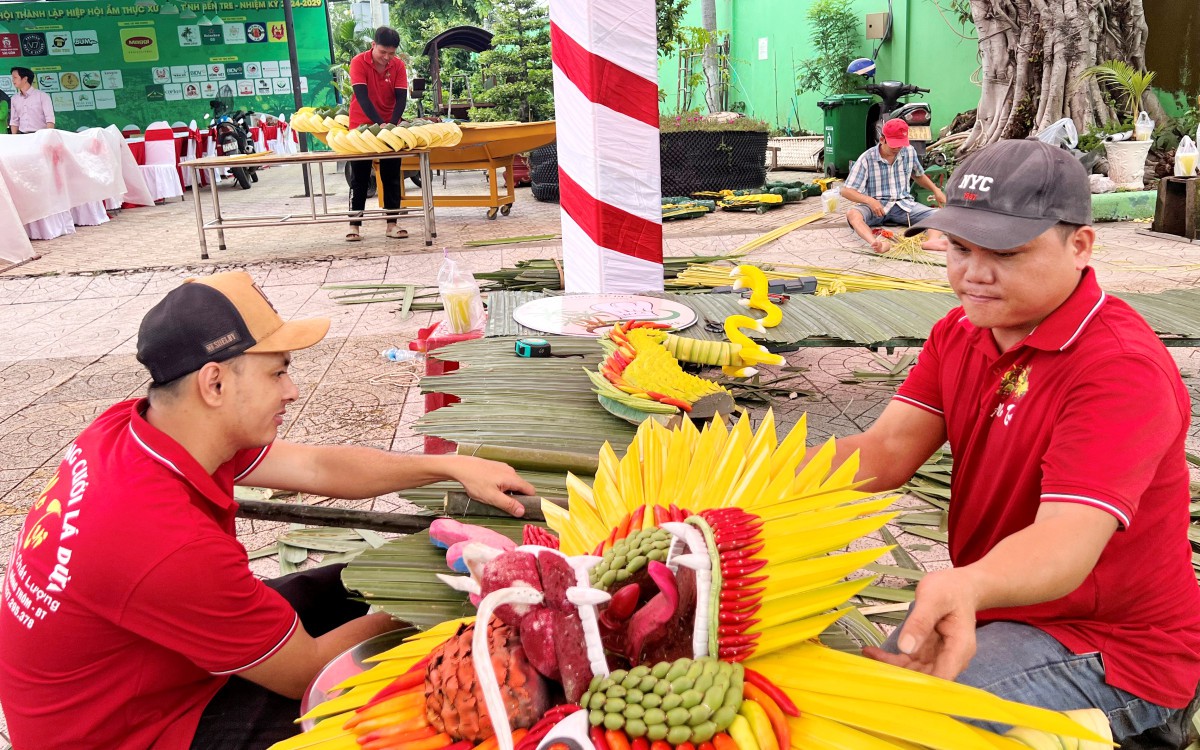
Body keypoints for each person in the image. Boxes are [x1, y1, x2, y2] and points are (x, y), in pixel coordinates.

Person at [0, 271, 537, 750]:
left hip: (154, 668)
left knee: (354, 584)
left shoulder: (143, 426)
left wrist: (452, 469)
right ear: (214, 383)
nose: (293, 389)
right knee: (408, 691)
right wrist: (452, 597)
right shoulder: (166, 543)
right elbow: (306, 671)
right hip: (137, 728)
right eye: (278, 373)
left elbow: (316, 469)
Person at [820, 138, 1200, 744]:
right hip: (993, 610)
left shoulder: (1119, 367)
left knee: (898, 724)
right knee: (857, 702)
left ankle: (1153, 729)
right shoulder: (963, 330)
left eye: (1005, 252)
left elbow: (1063, 545)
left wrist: (967, 582)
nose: (973, 273)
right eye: (962, 248)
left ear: (1079, 245)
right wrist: (752, 474)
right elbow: (886, 450)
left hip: (1112, 648)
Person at [841, 119, 947, 253]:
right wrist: (870, 201)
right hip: (876, 207)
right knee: (853, 214)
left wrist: (936, 190)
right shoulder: (867, 158)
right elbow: (846, 191)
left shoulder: (909, 151)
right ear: (882, 139)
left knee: (941, 215)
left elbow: (918, 175)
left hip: (903, 205)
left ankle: (932, 241)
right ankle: (876, 243)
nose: (897, 148)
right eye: (894, 145)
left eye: (900, 145)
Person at [347, 26, 409, 243]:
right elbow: (362, 98)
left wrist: (390, 125)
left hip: (389, 126)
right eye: (383, 52)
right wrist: (378, 124)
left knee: (391, 175)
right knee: (360, 178)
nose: (386, 57)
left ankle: (392, 224)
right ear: (373, 45)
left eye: (391, 53)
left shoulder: (398, 65)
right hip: (361, 125)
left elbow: (401, 99)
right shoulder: (358, 62)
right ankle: (355, 225)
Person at [9, 67, 54, 134]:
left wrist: (48, 136)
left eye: (15, 77)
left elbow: (50, 119)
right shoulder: (14, 98)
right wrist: (14, 137)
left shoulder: (42, 96)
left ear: (25, 79)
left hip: (40, 135)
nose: (13, 80)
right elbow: (14, 121)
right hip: (23, 136)